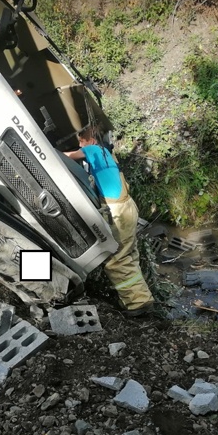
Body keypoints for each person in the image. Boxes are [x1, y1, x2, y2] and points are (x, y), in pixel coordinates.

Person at [65, 127, 155, 316]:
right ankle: (140, 296)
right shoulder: (106, 153)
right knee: (129, 253)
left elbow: (65, 156)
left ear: (89, 140)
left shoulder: (92, 150)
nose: (79, 145)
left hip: (118, 211)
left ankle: (138, 304)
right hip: (128, 206)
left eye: (81, 141)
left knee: (116, 259)